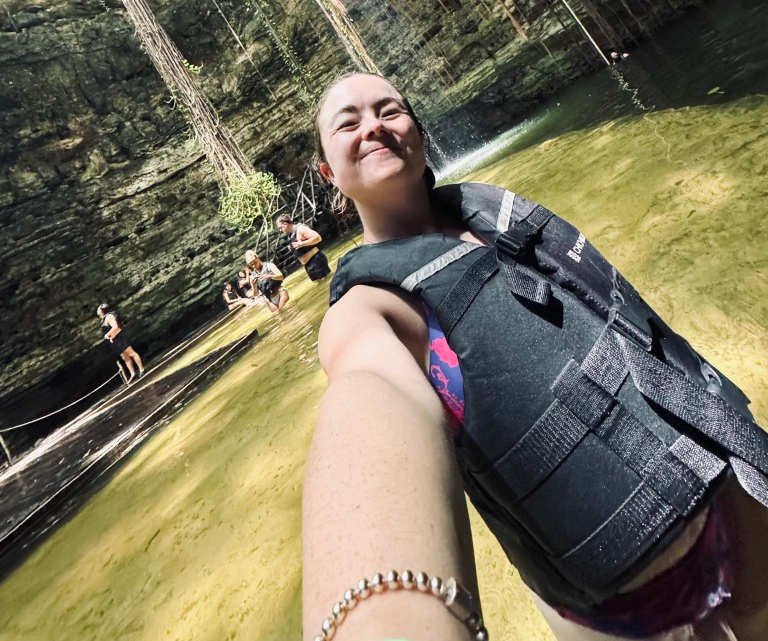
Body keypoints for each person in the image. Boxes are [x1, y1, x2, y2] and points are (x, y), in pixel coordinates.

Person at [302, 72, 768, 641]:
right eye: (348, 123)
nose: (373, 126)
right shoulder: (370, 307)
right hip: (619, 597)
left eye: (389, 111)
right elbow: (370, 397)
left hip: (722, 475)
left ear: (419, 134)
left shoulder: (488, 211)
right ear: (329, 172)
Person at [97, 303, 144, 383]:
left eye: (99, 308)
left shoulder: (109, 316)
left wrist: (107, 335)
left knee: (131, 353)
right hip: (115, 340)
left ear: (102, 310)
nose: (97, 310)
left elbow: (115, 326)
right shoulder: (103, 319)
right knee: (125, 357)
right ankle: (132, 373)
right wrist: (110, 337)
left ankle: (141, 369)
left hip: (120, 337)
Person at [276, 214, 330, 281]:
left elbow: (318, 238)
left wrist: (302, 243)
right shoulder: (291, 235)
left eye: (280, 228)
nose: (281, 230)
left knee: (327, 282)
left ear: (285, 223)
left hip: (316, 261)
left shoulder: (300, 229)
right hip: (308, 265)